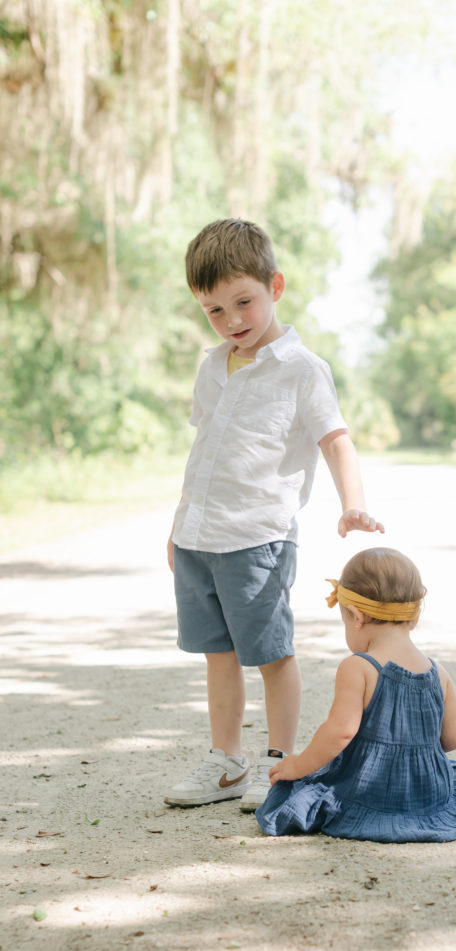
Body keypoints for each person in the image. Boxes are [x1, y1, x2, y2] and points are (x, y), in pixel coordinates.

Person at [164, 218, 383, 813]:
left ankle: (276, 764)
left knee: (272, 654)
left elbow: (336, 440)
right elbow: (204, 451)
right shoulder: (214, 366)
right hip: (198, 537)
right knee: (219, 653)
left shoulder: (302, 368)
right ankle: (225, 762)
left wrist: (352, 502)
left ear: (275, 286)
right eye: (214, 310)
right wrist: (178, 526)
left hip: (256, 537)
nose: (232, 320)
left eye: (243, 302)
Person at [256, 548, 456, 842]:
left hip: (370, 792)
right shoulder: (438, 672)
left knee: (290, 791)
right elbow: (455, 739)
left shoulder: (359, 667)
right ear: (414, 617)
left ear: (356, 616)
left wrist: (299, 764)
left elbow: (340, 732)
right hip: (430, 793)